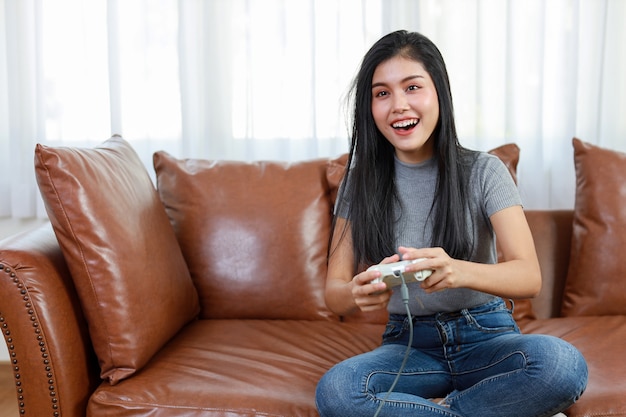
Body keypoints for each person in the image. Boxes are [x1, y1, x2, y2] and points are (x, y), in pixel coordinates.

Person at [315, 30, 587, 417]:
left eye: (413, 87)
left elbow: (529, 277)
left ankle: (441, 409)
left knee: (563, 367)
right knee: (337, 391)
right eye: (382, 93)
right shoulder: (357, 182)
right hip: (409, 345)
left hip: (487, 333)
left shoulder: (485, 171)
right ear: (369, 107)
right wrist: (356, 294)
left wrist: (456, 271)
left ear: (438, 93)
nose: (398, 105)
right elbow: (334, 292)